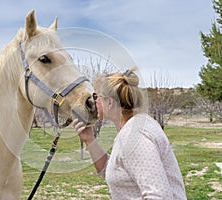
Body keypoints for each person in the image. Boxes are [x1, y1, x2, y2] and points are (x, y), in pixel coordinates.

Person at [72, 68, 186, 199]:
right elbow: (112, 171)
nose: (94, 101)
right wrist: (90, 140)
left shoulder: (135, 136)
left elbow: (159, 196)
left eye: (96, 96)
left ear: (110, 102)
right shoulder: (132, 128)